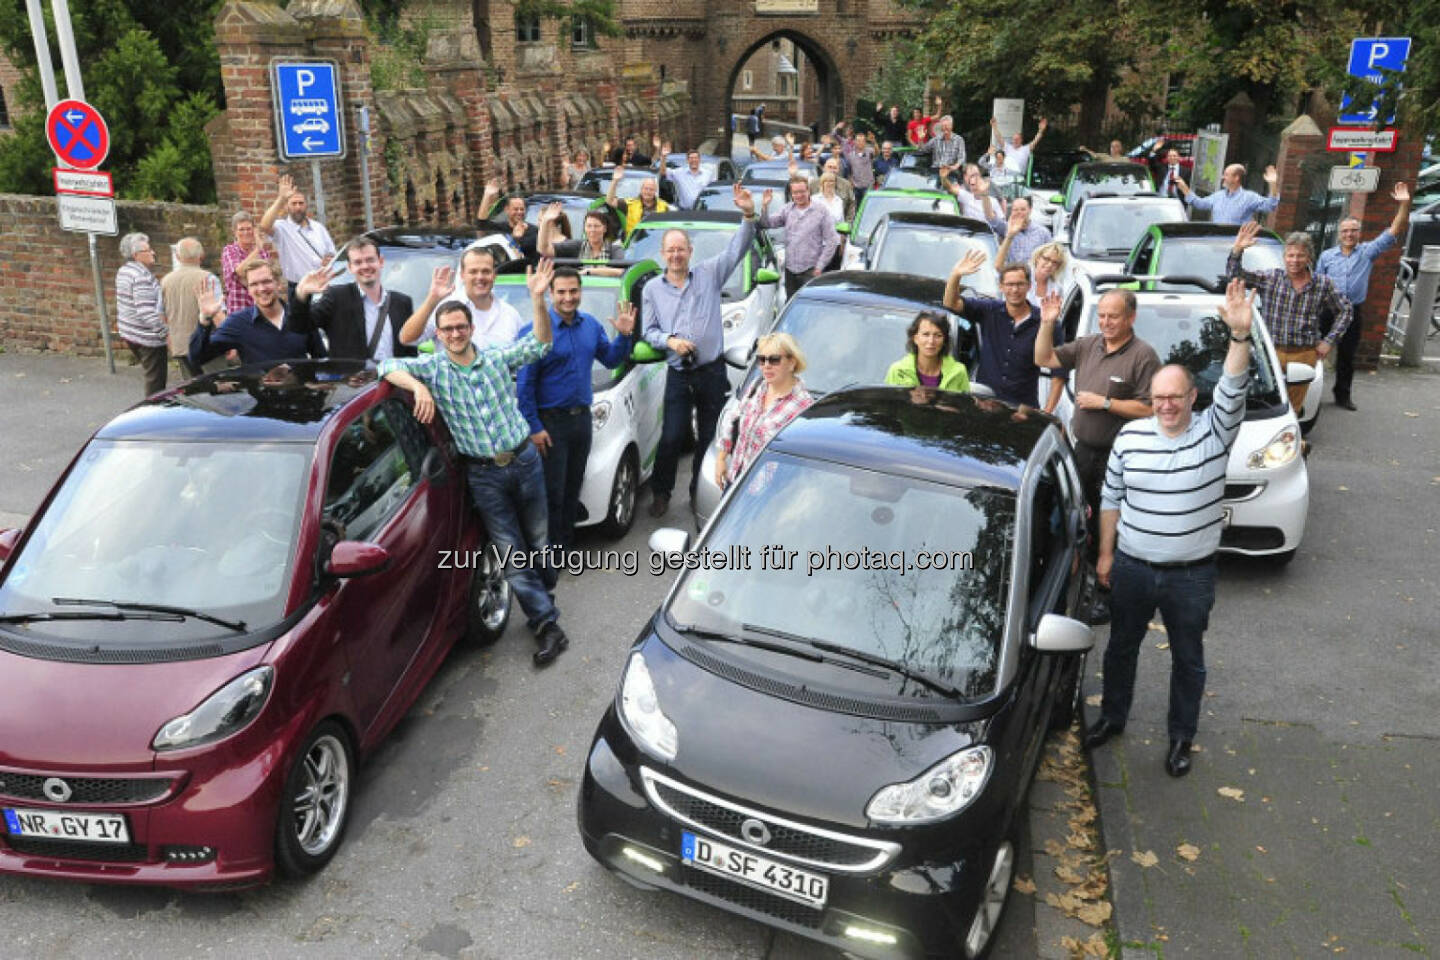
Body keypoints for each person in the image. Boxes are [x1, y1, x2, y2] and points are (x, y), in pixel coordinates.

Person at [1084, 278, 1258, 778]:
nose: (1165, 405)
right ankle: (1112, 718)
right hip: (1134, 567)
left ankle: (1181, 737)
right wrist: (1106, 555)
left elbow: (1233, 386)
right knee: (1120, 648)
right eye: (1158, 397)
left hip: (1191, 575)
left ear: (1191, 397)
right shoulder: (1131, 435)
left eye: (1174, 397)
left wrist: (1240, 338)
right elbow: (1112, 497)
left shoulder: (1214, 432)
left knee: (1189, 660)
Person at [379, 262, 567, 667]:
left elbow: (539, 346)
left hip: (524, 460)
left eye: (460, 327)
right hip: (483, 475)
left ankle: (543, 595)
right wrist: (417, 388)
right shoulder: (433, 369)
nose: (454, 334)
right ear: (439, 335)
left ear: (470, 328)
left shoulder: (497, 357)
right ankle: (546, 622)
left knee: (538, 540)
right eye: (446, 330)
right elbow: (385, 366)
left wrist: (538, 300)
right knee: (511, 552)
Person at [1034, 286, 1160, 621]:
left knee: (1112, 527)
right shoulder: (1089, 344)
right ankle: (1083, 586)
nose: (1106, 322)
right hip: (1083, 452)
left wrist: (1106, 403)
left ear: (1131, 317)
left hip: (1120, 458)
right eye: (1102, 315)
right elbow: (1043, 358)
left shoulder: (1143, 355)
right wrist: (1047, 323)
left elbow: (1151, 408)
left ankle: (1108, 596)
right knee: (1080, 518)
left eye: (1113, 316)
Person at [642, 183, 759, 517]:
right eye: (671, 250)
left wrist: (748, 214)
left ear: (690, 251)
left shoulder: (709, 274)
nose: (676, 255)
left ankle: (697, 493)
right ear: (663, 254)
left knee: (709, 438)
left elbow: (738, 247)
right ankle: (662, 492)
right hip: (679, 372)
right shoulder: (652, 289)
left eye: (681, 249)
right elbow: (648, 331)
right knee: (671, 437)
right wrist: (670, 341)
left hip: (711, 371)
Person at [516, 267, 636, 548]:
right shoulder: (535, 329)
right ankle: (546, 553)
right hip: (550, 424)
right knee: (551, 493)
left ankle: (563, 546)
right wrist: (534, 427)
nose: (568, 297)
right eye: (561, 292)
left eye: (573, 291)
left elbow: (610, 359)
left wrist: (624, 336)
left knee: (572, 488)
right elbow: (525, 387)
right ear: (550, 293)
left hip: (581, 421)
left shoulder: (591, 326)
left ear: (580, 292)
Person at [1226, 222, 1351, 417]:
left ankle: (1289, 440)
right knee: (1265, 404)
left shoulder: (1323, 284)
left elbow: (1346, 311)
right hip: (1270, 352)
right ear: (1284, 257)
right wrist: (1237, 250)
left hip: (1303, 354)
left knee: (1293, 408)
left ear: (1309, 257)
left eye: (1300, 255)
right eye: (1290, 255)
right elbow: (1234, 275)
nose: (1295, 260)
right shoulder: (1271, 278)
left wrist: (1329, 341)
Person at [1315, 182, 1412, 411]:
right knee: (1314, 351)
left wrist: (1404, 204)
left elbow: (1394, 230)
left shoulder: (1367, 252)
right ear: (1339, 234)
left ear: (1359, 233)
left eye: (1353, 231)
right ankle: (1310, 394)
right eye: (1345, 231)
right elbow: (1317, 284)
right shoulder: (1327, 256)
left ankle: (1342, 396)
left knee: (1347, 357)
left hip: (1352, 312)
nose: (1349, 234)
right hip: (1327, 311)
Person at [944, 251, 1062, 411]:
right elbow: (951, 304)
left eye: (1020, 284)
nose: (1014, 290)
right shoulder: (989, 310)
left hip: (1022, 410)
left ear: (1029, 286)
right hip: (984, 404)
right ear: (1001, 287)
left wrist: (1046, 413)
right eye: (1009, 285)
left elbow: (1059, 373)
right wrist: (956, 275)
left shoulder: (1047, 322)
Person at [290, 237, 417, 362]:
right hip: (352, 381)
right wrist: (301, 294)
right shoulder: (336, 297)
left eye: (370, 260)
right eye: (358, 262)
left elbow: (410, 351)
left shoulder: (402, 303)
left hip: (394, 380)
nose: (365, 266)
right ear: (350, 267)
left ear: (381, 262)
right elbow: (299, 326)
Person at [715, 333, 815, 487]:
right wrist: (721, 458)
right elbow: (733, 418)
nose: (766, 365)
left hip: (764, 495)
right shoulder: (757, 386)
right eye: (762, 359)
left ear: (792, 363)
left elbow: (798, 464)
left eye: (774, 359)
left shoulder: (803, 406)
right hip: (734, 482)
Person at [191, 257, 327, 369]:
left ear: (278, 284)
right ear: (248, 289)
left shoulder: (301, 317)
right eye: (254, 284)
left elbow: (321, 359)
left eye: (266, 281)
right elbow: (198, 358)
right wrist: (205, 320)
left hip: (303, 398)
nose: (261, 288)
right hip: (262, 399)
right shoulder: (238, 323)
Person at [402, 246, 525, 351]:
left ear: (494, 275)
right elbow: (407, 339)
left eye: (486, 271)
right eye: (473, 272)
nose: (480, 277)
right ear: (462, 275)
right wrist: (431, 300)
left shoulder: (511, 315)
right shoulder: (445, 307)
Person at [759, 175, 840, 299]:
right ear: (791, 194)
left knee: (809, 306)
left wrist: (820, 266)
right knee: (791, 305)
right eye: (795, 193)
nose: (799, 195)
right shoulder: (787, 210)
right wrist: (765, 206)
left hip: (811, 270)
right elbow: (766, 224)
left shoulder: (821, 211)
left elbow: (832, 241)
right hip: (790, 270)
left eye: (802, 192)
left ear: (808, 191)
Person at [259, 175, 336, 290]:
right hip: (298, 286)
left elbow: (333, 254)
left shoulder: (318, 227)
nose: (298, 207)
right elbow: (264, 226)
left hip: (323, 284)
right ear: (286, 207)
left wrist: (329, 261)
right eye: (293, 204)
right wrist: (281, 198)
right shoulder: (282, 228)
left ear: (306, 205)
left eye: (301, 203)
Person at [115, 232, 169, 397]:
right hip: (147, 338)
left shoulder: (124, 271)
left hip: (129, 333)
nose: (153, 253)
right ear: (136, 255)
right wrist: (166, 334)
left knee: (151, 376)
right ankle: (153, 416)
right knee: (155, 383)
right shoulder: (141, 277)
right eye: (148, 250)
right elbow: (146, 312)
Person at [161, 237, 222, 375]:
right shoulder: (208, 279)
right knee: (218, 388)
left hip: (180, 345)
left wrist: (169, 337)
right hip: (207, 347)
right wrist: (230, 341)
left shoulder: (166, 281)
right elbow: (217, 314)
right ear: (202, 255)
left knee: (192, 390)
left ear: (177, 256)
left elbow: (161, 315)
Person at [883, 311, 970, 392]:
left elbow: (967, 407)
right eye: (926, 334)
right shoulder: (898, 371)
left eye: (938, 335)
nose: (931, 341)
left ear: (944, 340)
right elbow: (886, 406)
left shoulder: (958, 372)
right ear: (915, 338)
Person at [1177, 163, 1279, 225]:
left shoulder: (1249, 197)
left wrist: (1273, 184)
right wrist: (1184, 188)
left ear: (1236, 178)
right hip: (1217, 242)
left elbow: (1270, 206)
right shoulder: (1218, 196)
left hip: (1237, 246)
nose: (1223, 177)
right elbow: (1199, 203)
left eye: (1226, 175)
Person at [220, 212, 272, 314]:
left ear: (254, 230)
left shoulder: (264, 253)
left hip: (261, 309)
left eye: (249, 229)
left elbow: (269, 277)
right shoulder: (229, 250)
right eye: (241, 229)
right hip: (239, 308)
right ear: (235, 232)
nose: (246, 232)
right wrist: (257, 249)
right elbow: (239, 271)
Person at [538, 203, 625, 262]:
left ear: (604, 229)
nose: (592, 230)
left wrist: (589, 271)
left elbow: (621, 271)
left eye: (596, 226)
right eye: (589, 226)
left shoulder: (615, 249)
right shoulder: (577, 246)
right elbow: (544, 250)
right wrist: (546, 221)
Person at [479, 180, 541, 263]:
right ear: (506, 210)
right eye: (515, 209)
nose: (519, 212)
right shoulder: (500, 228)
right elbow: (481, 224)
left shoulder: (534, 230)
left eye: (522, 209)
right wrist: (487, 196)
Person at [605, 161, 669, 237]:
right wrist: (615, 180)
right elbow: (609, 201)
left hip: (653, 244)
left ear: (655, 191)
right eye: (646, 188)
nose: (648, 192)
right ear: (641, 189)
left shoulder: (664, 206)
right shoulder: (629, 204)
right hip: (634, 244)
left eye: (651, 189)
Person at [995, 197, 1053, 268]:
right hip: (1012, 273)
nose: (1019, 212)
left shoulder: (1043, 232)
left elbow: (1051, 256)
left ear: (1030, 210)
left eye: (1023, 209)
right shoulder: (1005, 228)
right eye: (1015, 210)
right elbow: (991, 220)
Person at [944, 166, 1006, 233]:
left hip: (985, 234)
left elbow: (1002, 222)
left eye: (978, 184)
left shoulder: (993, 201)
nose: (975, 186)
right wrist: (943, 177)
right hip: (969, 233)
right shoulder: (966, 196)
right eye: (972, 184)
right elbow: (950, 188)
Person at [657, 141, 715, 209]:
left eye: (695, 158)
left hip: (704, 210)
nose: (694, 160)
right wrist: (663, 157)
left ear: (699, 160)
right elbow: (663, 172)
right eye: (691, 158)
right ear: (687, 160)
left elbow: (713, 191)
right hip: (685, 212)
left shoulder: (708, 174)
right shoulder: (679, 172)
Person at [912, 115, 966, 180]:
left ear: (952, 126)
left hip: (951, 171)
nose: (945, 128)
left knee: (951, 186)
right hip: (935, 170)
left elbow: (962, 158)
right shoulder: (935, 139)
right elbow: (922, 150)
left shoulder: (959, 140)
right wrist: (920, 139)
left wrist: (954, 167)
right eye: (943, 126)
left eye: (947, 126)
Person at [805, 156, 856, 221]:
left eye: (835, 168)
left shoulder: (846, 184)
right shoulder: (813, 184)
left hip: (840, 227)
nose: (832, 170)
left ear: (838, 170)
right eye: (829, 167)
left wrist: (848, 223)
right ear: (824, 168)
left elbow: (851, 204)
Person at [840, 130, 876, 205]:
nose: (860, 142)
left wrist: (874, 142)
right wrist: (850, 181)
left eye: (862, 141)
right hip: (856, 186)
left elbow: (878, 152)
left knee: (867, 206)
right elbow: (848, 170)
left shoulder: (869, 151)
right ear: (855, 142)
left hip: (868, 185)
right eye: (858, 140)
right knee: (856, 207)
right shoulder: (850, 155)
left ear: (865, 142)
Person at [1028, 241, 1068, 309]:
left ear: (1058, 267)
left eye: (1055, 262)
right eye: (1046, 259)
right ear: (1038, 258)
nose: (1050, 265)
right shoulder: (1021, 277)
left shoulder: (1057, 288)